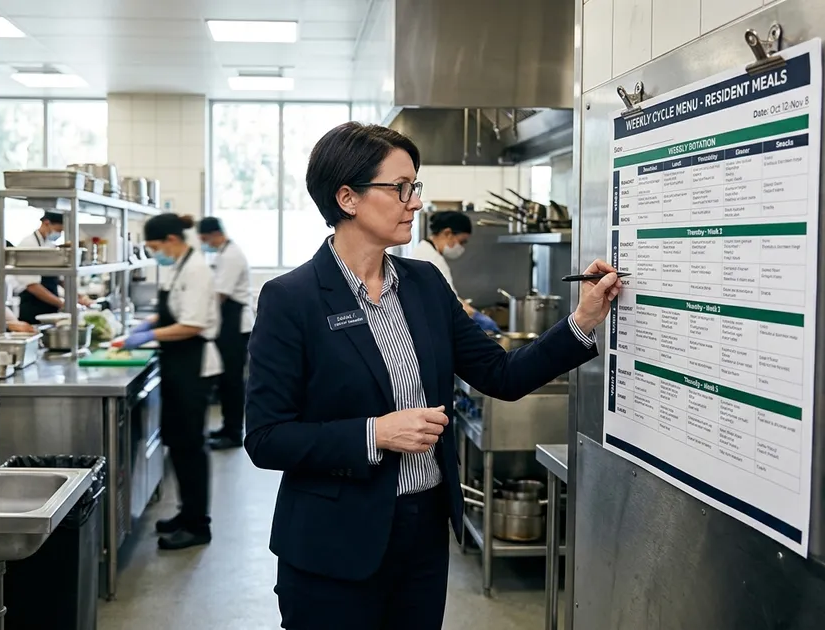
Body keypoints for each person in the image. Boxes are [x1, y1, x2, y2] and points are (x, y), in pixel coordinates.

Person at [243, 122, 621, 629]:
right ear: (348, 198)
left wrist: (583, 320)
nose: (415, 202)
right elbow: (267, 438)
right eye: (400, 188)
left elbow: (501, 374)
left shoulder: (423, 285)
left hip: (422, 532)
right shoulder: (292, 299)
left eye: (414, 187)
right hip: (333, 542)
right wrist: (375, 433)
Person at [119, 213, 222, 550]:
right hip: (179, 362)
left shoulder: (196, 270)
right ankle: (185, 512)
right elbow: (171, 312)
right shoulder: (180, 264)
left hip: (193, 364)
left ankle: (198, 525)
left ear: (171, 241)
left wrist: (144, 337)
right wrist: (146, 324)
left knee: (191, 447)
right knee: (179, 444)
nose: (153, 254)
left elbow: (191, 325)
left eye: (153, 247)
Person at [197, 217, 254, 450]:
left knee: (231, 381)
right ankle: (226, 427)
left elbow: (220, 294)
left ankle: (233, 433)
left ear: (214, 234)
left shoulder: (231, 256)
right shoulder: (224, 253)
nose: (204, 244)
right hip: (227, 323)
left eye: (204, 239)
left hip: (235, 324)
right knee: (226, 380)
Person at [410, 210, 500, 332]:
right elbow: (450, 303)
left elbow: (450, 296)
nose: (462, 248)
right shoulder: (431, 259)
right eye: (461, 241)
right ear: (448, 233)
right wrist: (477, 317)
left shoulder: (425, 250)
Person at [13, 213, 92, 324]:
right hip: (33, 306)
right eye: (58, 230)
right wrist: (62, 303)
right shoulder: (28, 244)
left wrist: (78, 296)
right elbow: (32, 286)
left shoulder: (49, 245)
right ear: (46, 223)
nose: (58, 234)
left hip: (49, 305)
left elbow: (58, 278)